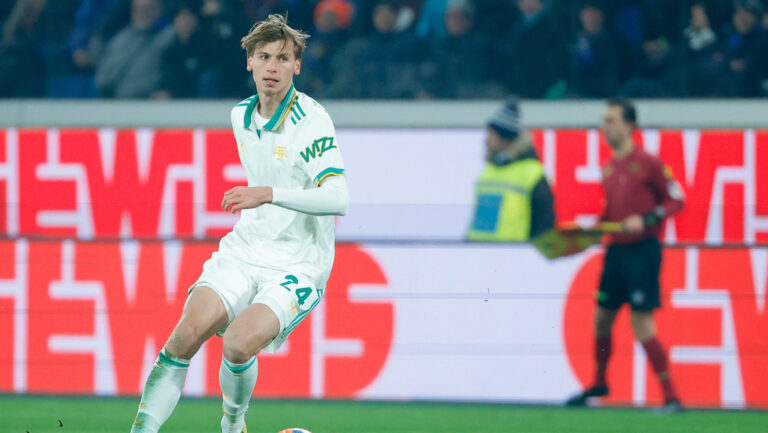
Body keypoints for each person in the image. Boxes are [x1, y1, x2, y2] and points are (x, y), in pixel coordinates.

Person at [130, 13, 349, 433]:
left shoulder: (311, 121)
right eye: (263, 56)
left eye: (283, 59)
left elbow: (339, 199)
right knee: (185, 336)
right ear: (248, 61)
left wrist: (267, 193)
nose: (272, 66)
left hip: (297, 264)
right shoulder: (240, 116)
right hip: (246, 248)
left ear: (297, 66)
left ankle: (233, 424)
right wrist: (263, 202)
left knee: (236, 345)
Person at [566, 98, 685, 413]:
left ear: (629, 126)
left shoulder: (648, 163)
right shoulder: (609, 167)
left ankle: (671, 396)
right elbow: (614, 210)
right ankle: (599, 382)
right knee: (601, 318)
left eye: (611, 120)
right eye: (604, 120)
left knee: (641, 322)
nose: (605, 126)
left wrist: (646, 219)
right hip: (616, 250)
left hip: (642, 251)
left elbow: (676, 199)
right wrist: (594, 228)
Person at [466, 97, 555, 242]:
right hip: (479, 255)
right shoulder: (488, 171)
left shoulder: (532, 174)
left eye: (491, 135)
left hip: (514, 258)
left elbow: (543, 227)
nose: (486, 141)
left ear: (505, 139)